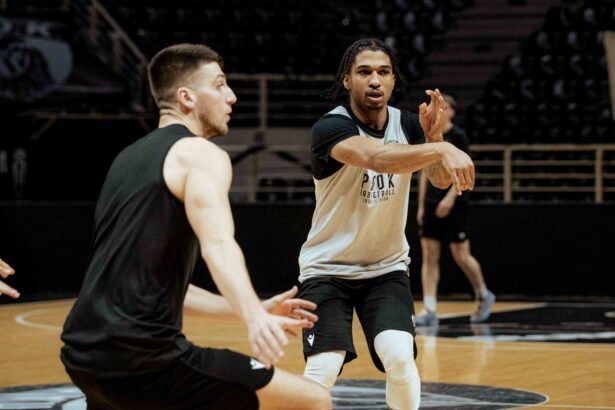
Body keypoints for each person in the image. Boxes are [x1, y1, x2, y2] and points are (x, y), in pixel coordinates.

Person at [60, 43, 331, 410]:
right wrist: (253, 318)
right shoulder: (200, 154)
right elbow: (218, 244)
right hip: (145, 359)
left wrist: (256, 306)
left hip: (84, 356)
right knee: (313, 400)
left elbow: (163, 286)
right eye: (219, 85)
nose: (231, 96)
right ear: (186, 98)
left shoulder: (126, 159)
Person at [297, 38, 475, 410]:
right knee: (323, 366)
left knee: (399, 357)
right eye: (364, 72)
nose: (375, 80)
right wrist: (442, 147)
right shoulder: (330, 127)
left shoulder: (407, 124)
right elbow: (378, 158)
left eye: (383, 72)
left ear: (394, 80)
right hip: (327, 268)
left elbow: (439, 180)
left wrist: (434, 136)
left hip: (385, 268)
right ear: (347, 80)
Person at [416, 94, 495, 326]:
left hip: (455, 201)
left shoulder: (458, 136)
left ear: (451, 111)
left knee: (461, 254)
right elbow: (425, 172)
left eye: (446, 107)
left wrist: (450, 198)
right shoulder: (428, 135)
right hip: (432, 202)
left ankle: (483, 293)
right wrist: (421, 205)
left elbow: (464, 168)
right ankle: (430, 307)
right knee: (429, 255)